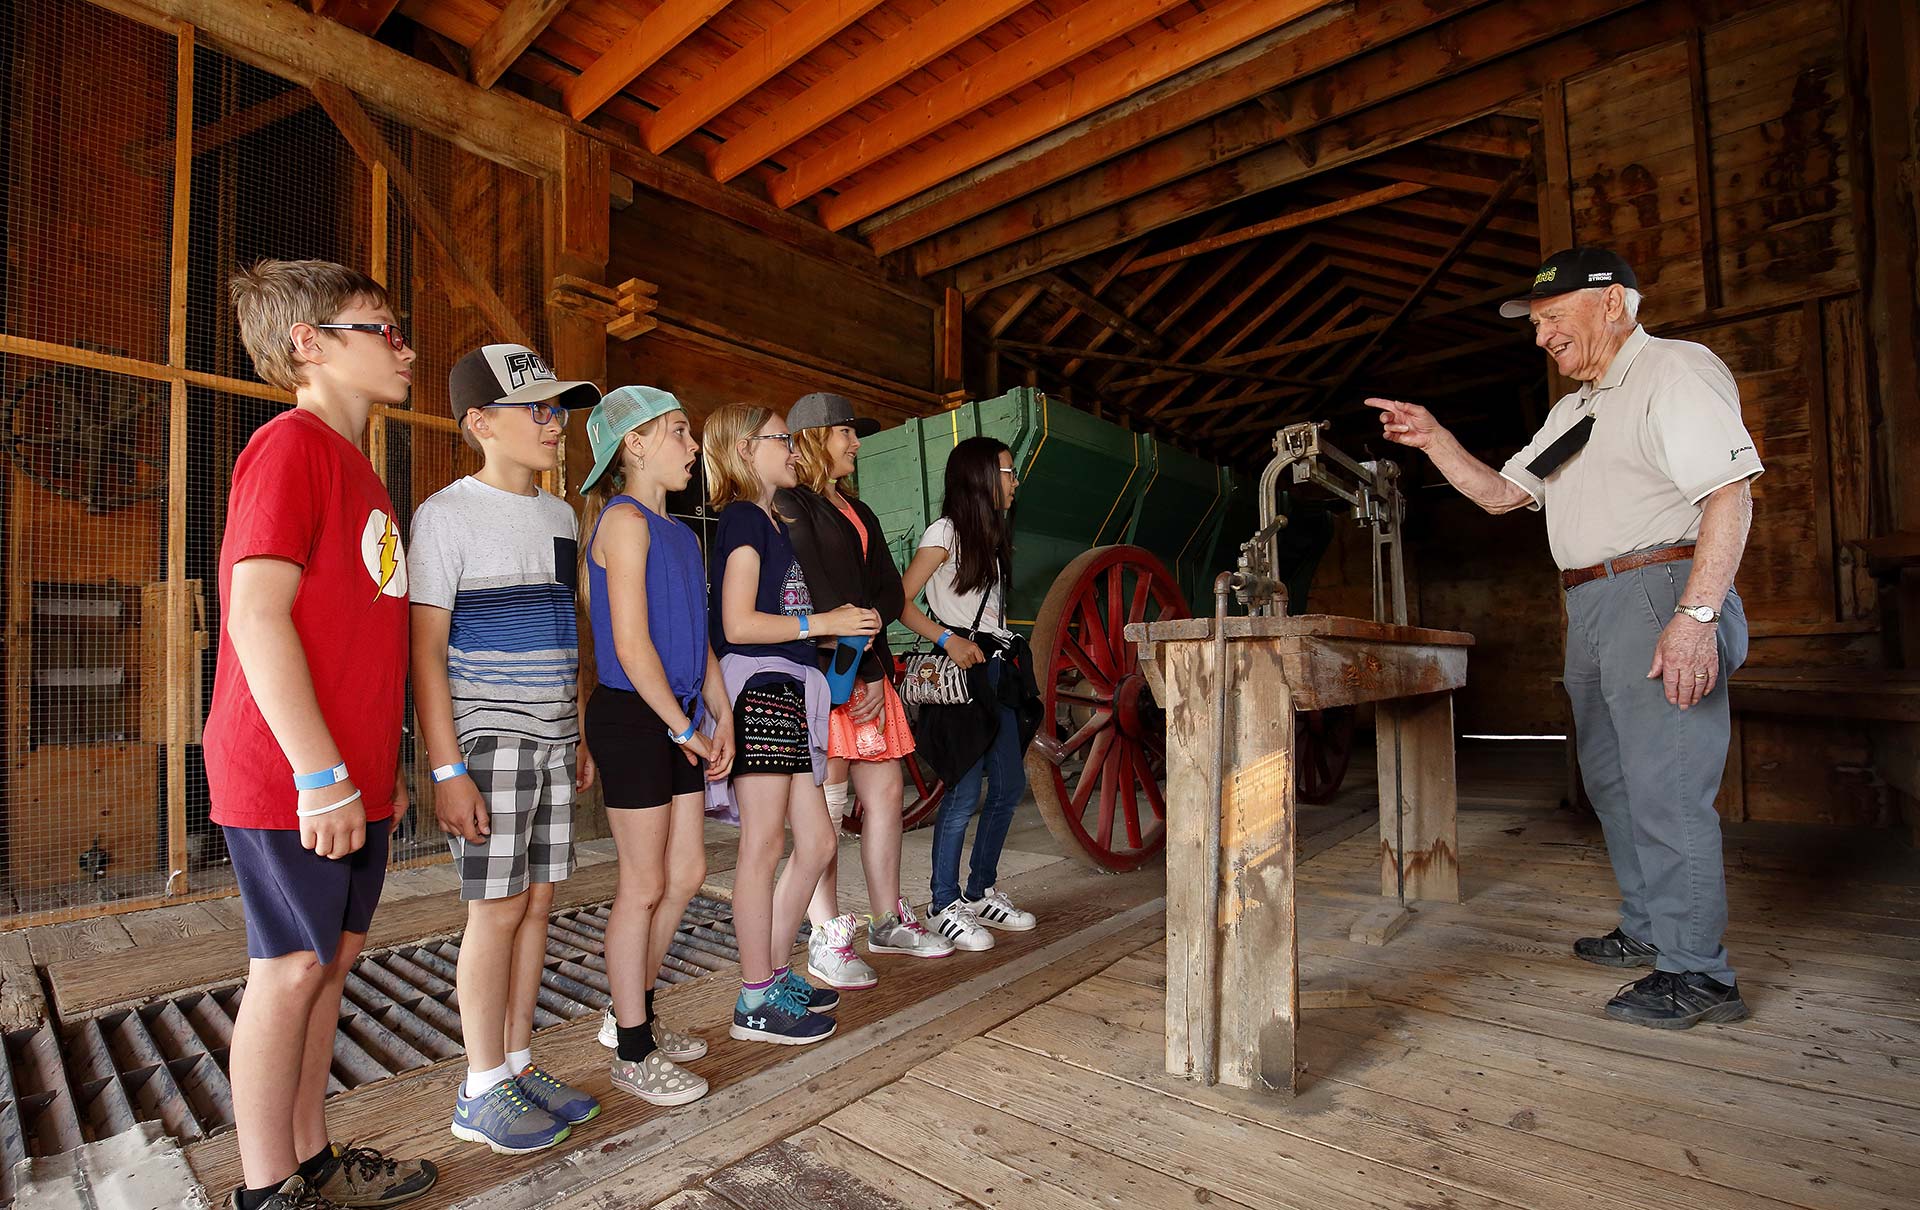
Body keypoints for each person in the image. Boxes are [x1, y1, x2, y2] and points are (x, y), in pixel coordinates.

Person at [1367, 246, 1761, 1030]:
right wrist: (1435, 438)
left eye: (1551, 318)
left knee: (1666, 787)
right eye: (1536, 323)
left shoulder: (1672, 372)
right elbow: (1502, 494)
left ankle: (1699, 976)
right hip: (1591, 605)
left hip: (1659, 592)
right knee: (1613, 783)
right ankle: (1652, 929)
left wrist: (1698, 615)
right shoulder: (1576, 411)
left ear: (1612, 302)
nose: (1540, 336)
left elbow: (1729, 491)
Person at [208, 260, 437, 1210]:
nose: (404, 347)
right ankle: (266, 1192)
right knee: (289, 966)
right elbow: (254, 614)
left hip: (351, 773)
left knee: (328, 964)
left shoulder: (361, 472)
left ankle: (311, 1160)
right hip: (294, 772)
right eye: (380, 329)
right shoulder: (290, 446)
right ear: (310, 344)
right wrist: (321, 774)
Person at [411, 343, 603, 1154]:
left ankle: (519, 1062)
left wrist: (582, 730)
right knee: (491, 913)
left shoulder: (561, 517)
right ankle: (479, 1085)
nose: (553, 422)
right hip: (489, 739)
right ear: (480, 423)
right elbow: (426, 650)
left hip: (558, 739)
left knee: (537, 904)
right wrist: (447, 768)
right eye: (537, 409)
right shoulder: (444, 515)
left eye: (557, 408)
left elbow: (568, 632)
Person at [703, 404, 881, 1044]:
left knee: (819, 843)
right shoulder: (746, 519)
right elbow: (736, 626)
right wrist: (825, 623)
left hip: (788, 687)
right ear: (746, 449)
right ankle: (755, 998)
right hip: (763, 687)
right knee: (763, 847)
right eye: (780, 438)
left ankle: (772, 975)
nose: (792, 448)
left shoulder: (771, 520)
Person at [578, 386, 734, 1105]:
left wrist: (720, 713)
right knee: (641, 885)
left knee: (688, 871)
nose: (692, 445)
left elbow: (696, 639)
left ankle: (630, 1011)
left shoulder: (680, 533)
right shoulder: (623, 521)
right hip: (636, 717)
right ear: (632, 444)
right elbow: (632, 645)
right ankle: (634, 1053)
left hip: (680, 715)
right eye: (678, 431)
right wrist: (684, 728)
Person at [776, 393, 955, 989]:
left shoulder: (859, 510)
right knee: (824, 811)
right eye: (846, 433)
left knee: (886, 794)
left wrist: (874, 658)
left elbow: (883, 590)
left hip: (867, 664)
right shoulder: (789, 504)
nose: (855, 443)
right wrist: (866, 665)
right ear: (813, 437)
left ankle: (887, 919)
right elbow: (819, 592)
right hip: (827, 674)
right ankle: (826, 936)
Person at [898, 437, 1042, 952]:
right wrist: (947, 639)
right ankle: (942, 903)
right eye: (1007, 471)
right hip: (962, 673)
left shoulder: (993, 536)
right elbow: (901, 600)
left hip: (997, 670)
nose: (1014, 480)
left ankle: (980, 892)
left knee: (1007, 788)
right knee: (962, 792)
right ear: (981, 477)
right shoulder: (946, 532)